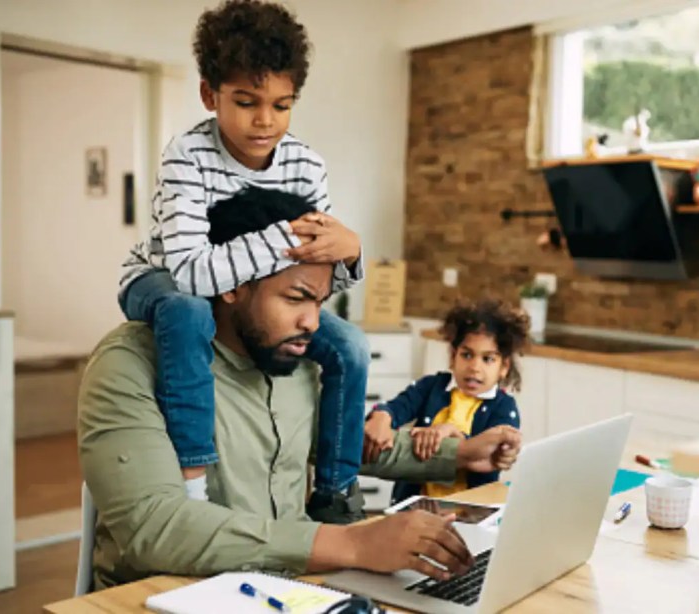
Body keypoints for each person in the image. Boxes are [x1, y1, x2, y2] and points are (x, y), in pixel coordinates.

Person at [80, 193, 523, 589]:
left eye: (319, 303)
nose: (312, 322)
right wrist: (352, 542)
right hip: (167, 597)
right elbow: (155, 528)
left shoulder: (295, 358)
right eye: (295, 298)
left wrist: (461, 456)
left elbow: (339, 443)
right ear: (231, 283)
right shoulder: (130, 363)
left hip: (291, 591)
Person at [116, 0, 368, 523]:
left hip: (242, 293)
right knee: (189, 312)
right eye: (246, 101)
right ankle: (193, 481)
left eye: (281, 105)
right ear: (210, 94)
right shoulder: (186, 157)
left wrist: (350, 249)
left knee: (350, 344)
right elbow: (190, 272)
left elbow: (312, 268)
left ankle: (337, 490)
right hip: (159, 275)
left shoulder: (306, 165)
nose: (264, 121)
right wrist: (281, 237)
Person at [363, 299, 529, 503]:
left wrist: (450, 432)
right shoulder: (431, 387)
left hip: (467, 513)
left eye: (488, 359)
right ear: (453, 356)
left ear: (504, 366)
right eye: (467, 355)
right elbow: (398, 407)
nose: (475, 367)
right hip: (416, 505)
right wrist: (382, 415)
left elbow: (489, 451)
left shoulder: (504, 407)